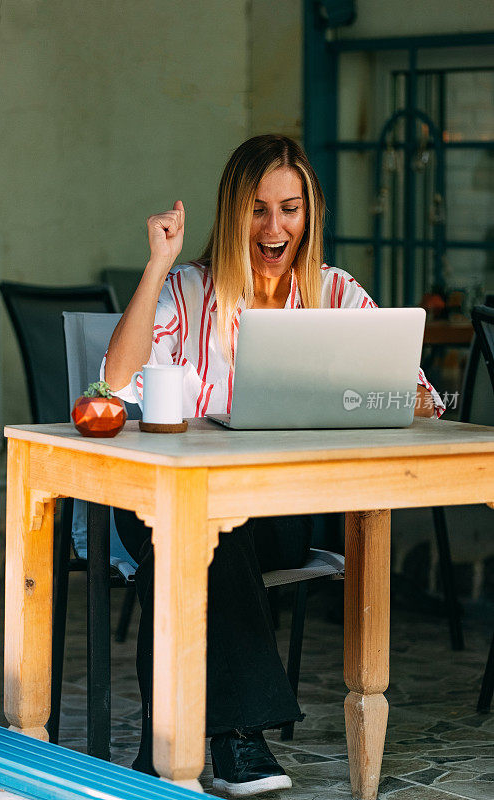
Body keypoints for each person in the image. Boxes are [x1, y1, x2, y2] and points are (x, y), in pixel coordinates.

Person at [103, 134, 445, 796]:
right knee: (197, 531)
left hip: (278, 509)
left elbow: (418, 395)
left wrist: (401, 391)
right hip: (163, 501)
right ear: (233, 213)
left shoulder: (335, 293)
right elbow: (115, 379)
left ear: (308, 213)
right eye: (257, 209)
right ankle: (237, 741)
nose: (273, 226)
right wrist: (156, 264)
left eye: (289, 208)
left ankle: (163, 752)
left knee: (202, 539)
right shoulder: (187, 288)